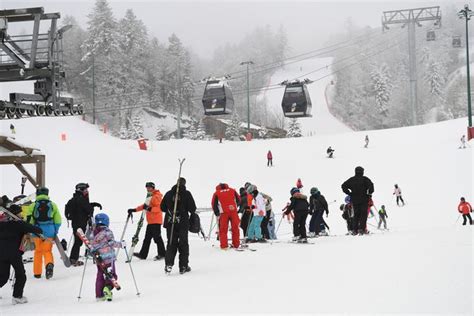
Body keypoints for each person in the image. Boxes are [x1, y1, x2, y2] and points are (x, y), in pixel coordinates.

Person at [0, 196, 43, 305]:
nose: (21, 215)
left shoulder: (2, 224)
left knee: (3, 277)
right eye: (20, 213)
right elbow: (37, 229)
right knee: (21, 275)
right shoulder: (19, 224)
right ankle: (17, 296)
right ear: (16, 214)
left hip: (2, 254)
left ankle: (17, 296)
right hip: (14, 254)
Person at [160, 178, 196, 274]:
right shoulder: (187, 193)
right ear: (184, 184)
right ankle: (183, 266)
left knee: (171, 243)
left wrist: (170, 207)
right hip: (183, 223)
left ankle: (168, 264)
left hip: (170, 223)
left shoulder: (168, 193)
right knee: (183, 244)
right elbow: (193, 208)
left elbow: (162, 207)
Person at [25, 187, 61, 279]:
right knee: (47, 251)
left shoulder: (32, 205)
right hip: (49, 231)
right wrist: (55, 230)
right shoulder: (53, 205)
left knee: (38, 251)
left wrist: (31, 230)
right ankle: (49, 265)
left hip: (37, 231)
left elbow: (29, 220)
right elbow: (58, 220)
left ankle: (37, 273)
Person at [65, 183, 102, 266]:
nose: (87, 191)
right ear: (80, 190)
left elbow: (83, 207)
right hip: (80, 223)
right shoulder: (81, 199)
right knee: (78, 242)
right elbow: (87, 209)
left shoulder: (75, 199)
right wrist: (91, 207)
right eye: (85, 190)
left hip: (75, 223)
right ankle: (73, 259)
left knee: (78, 241)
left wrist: (93, 204)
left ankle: (73, 258)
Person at [90, 213, 124, 301]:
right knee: (112, 275)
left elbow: (91, 245)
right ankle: (108, 288)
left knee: (100, 275)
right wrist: (121, 245)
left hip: (99, 258)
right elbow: (111, 243)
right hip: (109, 258)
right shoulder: (107, 232)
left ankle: (99, 295)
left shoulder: (93, 233)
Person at [128, 182, 166, 261]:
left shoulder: (157, 196)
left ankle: (162, 254)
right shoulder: (149, 196)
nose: (148, 189)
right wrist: (135, 210)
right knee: (147, 239)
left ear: (153, 188)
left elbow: (159, 208)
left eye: (149, 187)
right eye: (147, 187)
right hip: (150, 222)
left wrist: (149, 209)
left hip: (156, 221)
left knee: (157, 238)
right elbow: (144, 206)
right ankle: (143, 254)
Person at [341, 166, 374, 235]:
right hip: (364, 199)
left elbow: (343, 185)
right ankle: (361, 229)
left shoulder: (352, 180)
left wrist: (349, 193)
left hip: (355, 199)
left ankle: (355, 230)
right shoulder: (365, 179)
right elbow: (371, 186)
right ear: (362, 172)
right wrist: (369, 193)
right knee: (363, 215)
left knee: (356, 215)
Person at [211, 183, 241, 249]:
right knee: (235, 228)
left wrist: (217, 213)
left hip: (223, 213)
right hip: (233, 212)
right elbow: (239, 199)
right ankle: (236, 245)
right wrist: (235, 206)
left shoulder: (216, 193)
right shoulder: (232, 190)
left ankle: (224, 246)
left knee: (223, 230)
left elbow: (213, 204)